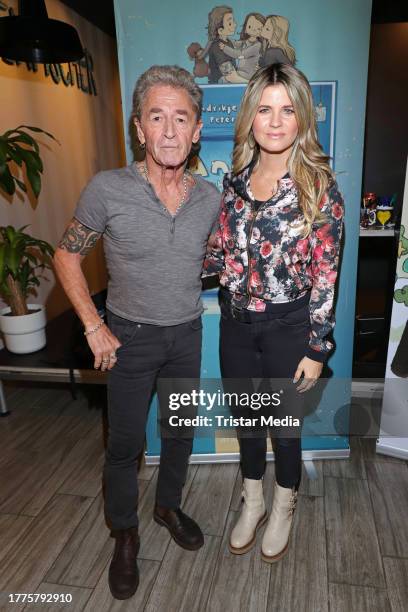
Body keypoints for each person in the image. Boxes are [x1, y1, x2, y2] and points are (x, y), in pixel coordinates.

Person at [53, 65, 221, 599]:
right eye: (157, 117)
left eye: (181, 118)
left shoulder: (210, 199)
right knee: (124, 445)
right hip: (127, 337)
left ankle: (168, 506)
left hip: (186, 335)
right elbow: (66, 257)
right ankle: (124, 532)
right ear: (139, 128)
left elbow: (217, 260)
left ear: (196, 131)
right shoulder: (107, 189)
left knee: (178, 433)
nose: (169, 131)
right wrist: (94, 326)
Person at [204, 63, 344, 563]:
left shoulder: (319, 189)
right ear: (250, 117)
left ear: (302, 117)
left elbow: (326, 276)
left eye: (287, 109)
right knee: (246, 421)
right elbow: (220, 255)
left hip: (290, 327)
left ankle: (285, 506)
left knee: (284, 427)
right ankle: (253, 500)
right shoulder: (233, 184)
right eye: (265, 108)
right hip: (235, 325)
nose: (276, 120)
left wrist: (316, 347)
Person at [219, 12, 265, 82]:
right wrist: (226, 38)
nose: (254, 30)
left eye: (258, 29)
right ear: (246, 28)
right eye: (250, 26)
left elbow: (240, 55)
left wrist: (225, 48)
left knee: (224, 79)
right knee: (223, 79)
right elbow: (236, 43)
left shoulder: (257, 45)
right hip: (241, 72)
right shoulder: (246, 41)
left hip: (249, 75)